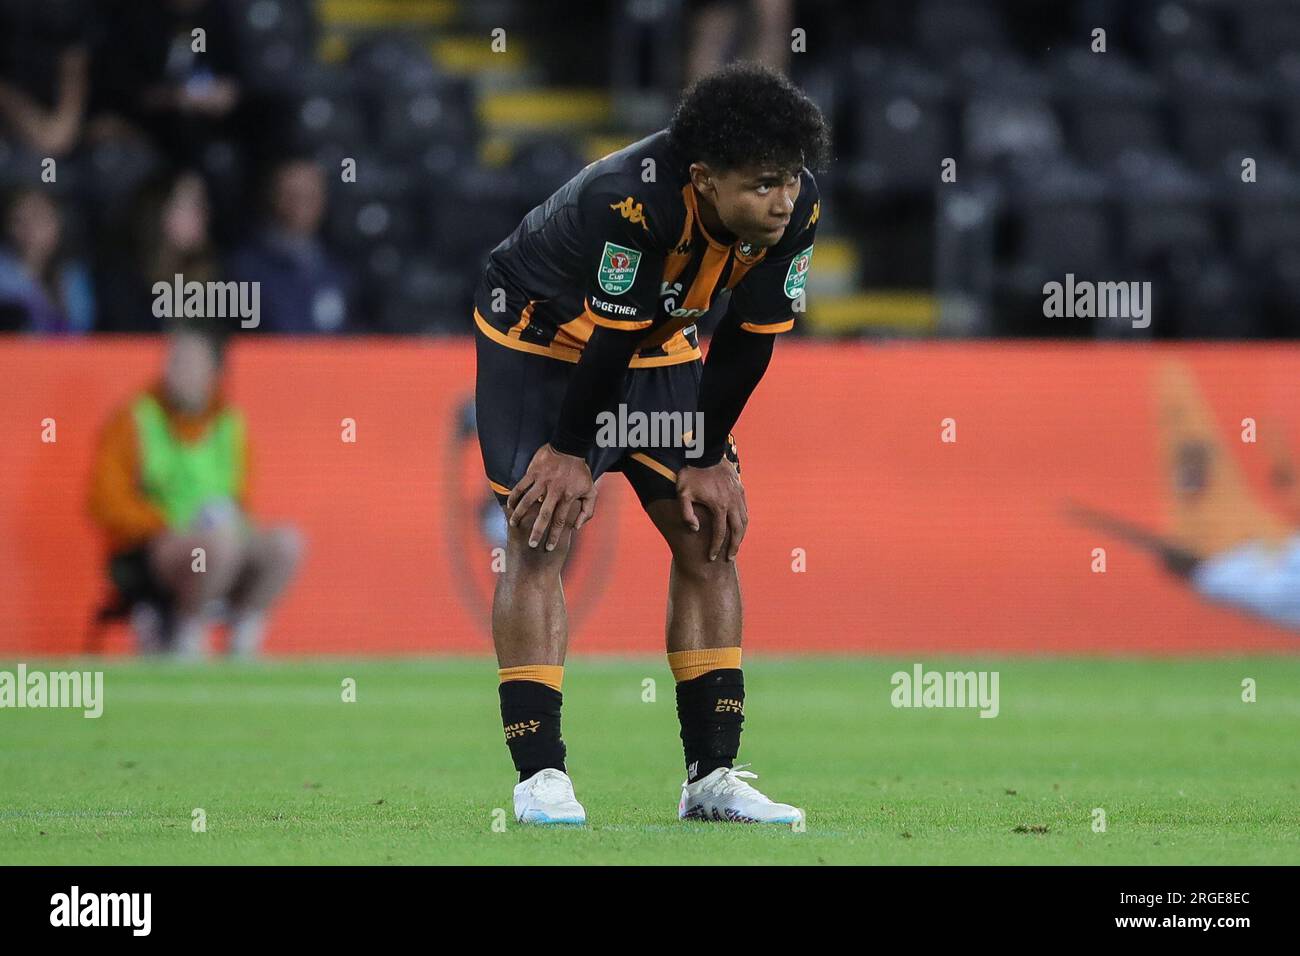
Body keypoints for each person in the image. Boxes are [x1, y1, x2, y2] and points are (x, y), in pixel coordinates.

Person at [472, 62, 831, 824]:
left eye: (792, 179)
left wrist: (707, 455)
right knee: (540, 533)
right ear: (702, 179)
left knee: (708, 535)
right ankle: (540, 778)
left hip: (654, 340)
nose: (784, 199)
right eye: (764, 183)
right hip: (541, 339)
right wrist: (572, 451)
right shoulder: (630, 200)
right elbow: (609, 340)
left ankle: (711, 778)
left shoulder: (796, 214)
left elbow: (747, 342)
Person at [88, 321, 304, 656]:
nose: (179, 371)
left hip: (220, 539)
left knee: (286, 544)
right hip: (155, 547)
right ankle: (185, 630)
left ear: (214, 372)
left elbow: (240, 498)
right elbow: (105, 502)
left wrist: (229, 523)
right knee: (216, 549)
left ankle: (244, 634)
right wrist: (163, 525)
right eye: (175, 361)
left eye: (190, 363)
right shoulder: (134, 418)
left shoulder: (230, 424)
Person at [226, 155, 353, 333]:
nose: (300, 205)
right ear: (272, 197)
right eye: (292, 195)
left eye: (309, 196)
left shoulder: (340, 267)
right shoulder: (245, 269)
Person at [0, 187, 94, 333]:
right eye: (19, 220)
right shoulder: (3, 274)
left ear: (58, 224)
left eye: (39, 218)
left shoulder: (72, 274)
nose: (30, 229)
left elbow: (82, 328)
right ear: (8, 226)